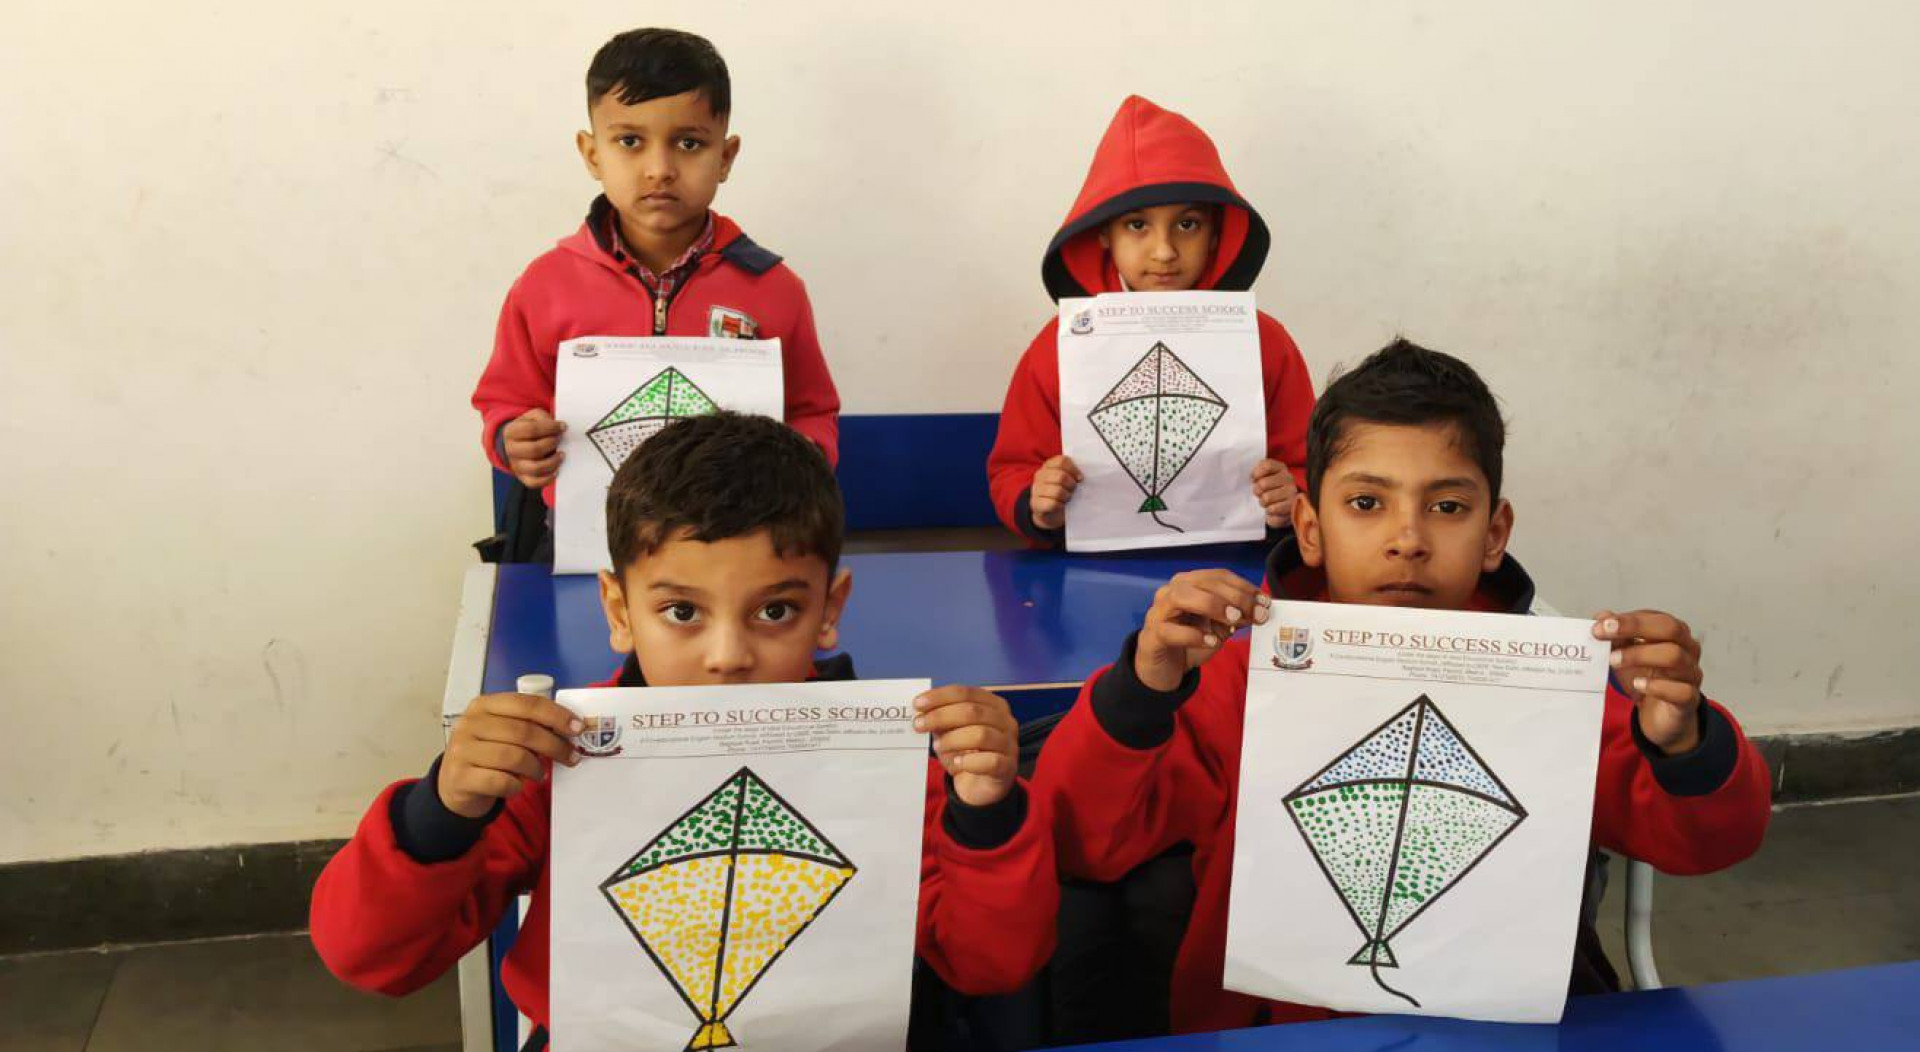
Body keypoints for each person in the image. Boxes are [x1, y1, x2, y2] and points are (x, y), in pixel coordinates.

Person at [1034, 339, 1771, 1034]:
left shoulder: (1553, 691)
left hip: (1493, 1029)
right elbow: (1085, 841)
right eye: (1366, 503)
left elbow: (1712, 841)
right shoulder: (1235, 681)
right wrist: (1142, 690)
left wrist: (1684, 744)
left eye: (1447, 507)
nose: (1408, 539)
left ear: (1494, 534)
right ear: (1310, 528)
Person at [313, 413, 1056, 1046]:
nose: (728, 656)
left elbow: (992, 965)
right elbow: (370, 956)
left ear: (830, 609)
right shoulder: (559, 758)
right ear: (618, 610)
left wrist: (986, 817)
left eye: (775, 611)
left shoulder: (892, 764)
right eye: (681, 612)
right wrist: (442, 811)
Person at [986, 95, 1314, 546]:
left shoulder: (1265, 341)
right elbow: (1012, 470)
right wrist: (1037, 503)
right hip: (1088, 571)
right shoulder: (1058, 345)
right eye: (1137, 225)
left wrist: (1293, 495)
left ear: (1216, 232)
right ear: (1103, 233)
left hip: (1237, 566)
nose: (1164, 251)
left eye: (1188, 224)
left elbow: (1311, 465)